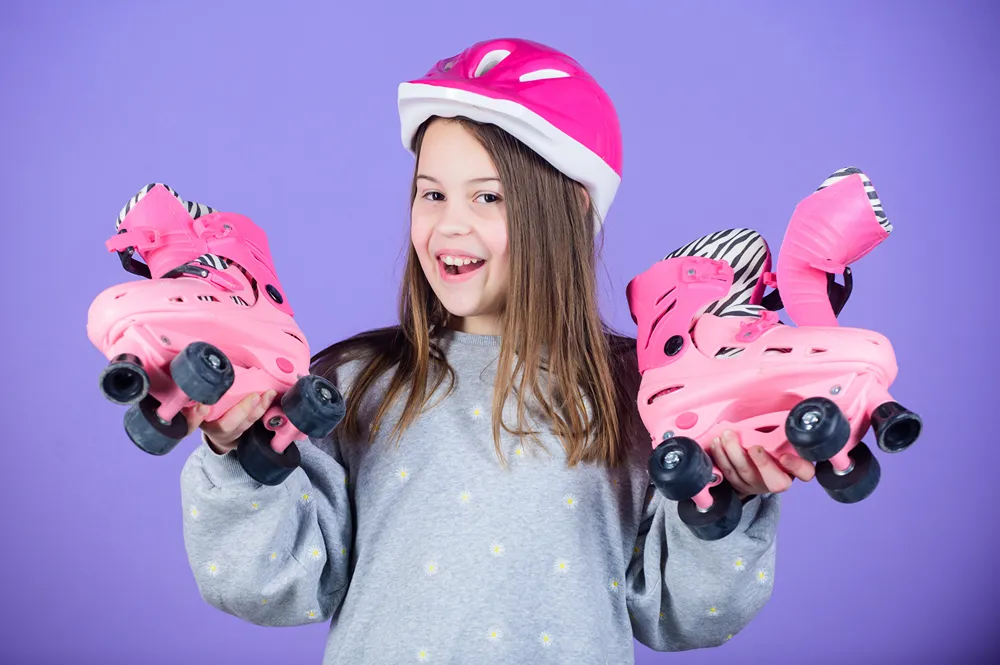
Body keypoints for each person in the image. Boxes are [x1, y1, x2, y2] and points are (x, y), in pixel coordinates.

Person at [176, 37, 815, 664]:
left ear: (570, 208)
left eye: (488, 196)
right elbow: (265, 586)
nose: (450, 223)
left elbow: (682, 614)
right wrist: (242, 458)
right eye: (432, 194)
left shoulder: (649, 394)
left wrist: (723, 499)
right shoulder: (352, 385)